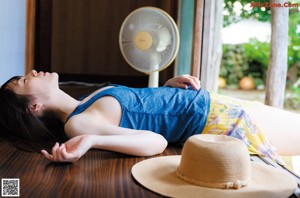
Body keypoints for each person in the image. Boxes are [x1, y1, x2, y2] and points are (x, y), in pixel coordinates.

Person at [0, 70, 299, 164]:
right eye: (25, 81)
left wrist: (166, 90)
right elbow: (155, 140)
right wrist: (91, 140)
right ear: (33, 107)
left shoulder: (82, 101)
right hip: (218, 120)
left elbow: (140, 108)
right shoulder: (77, 123)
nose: (32, 73)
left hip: (213, 106)